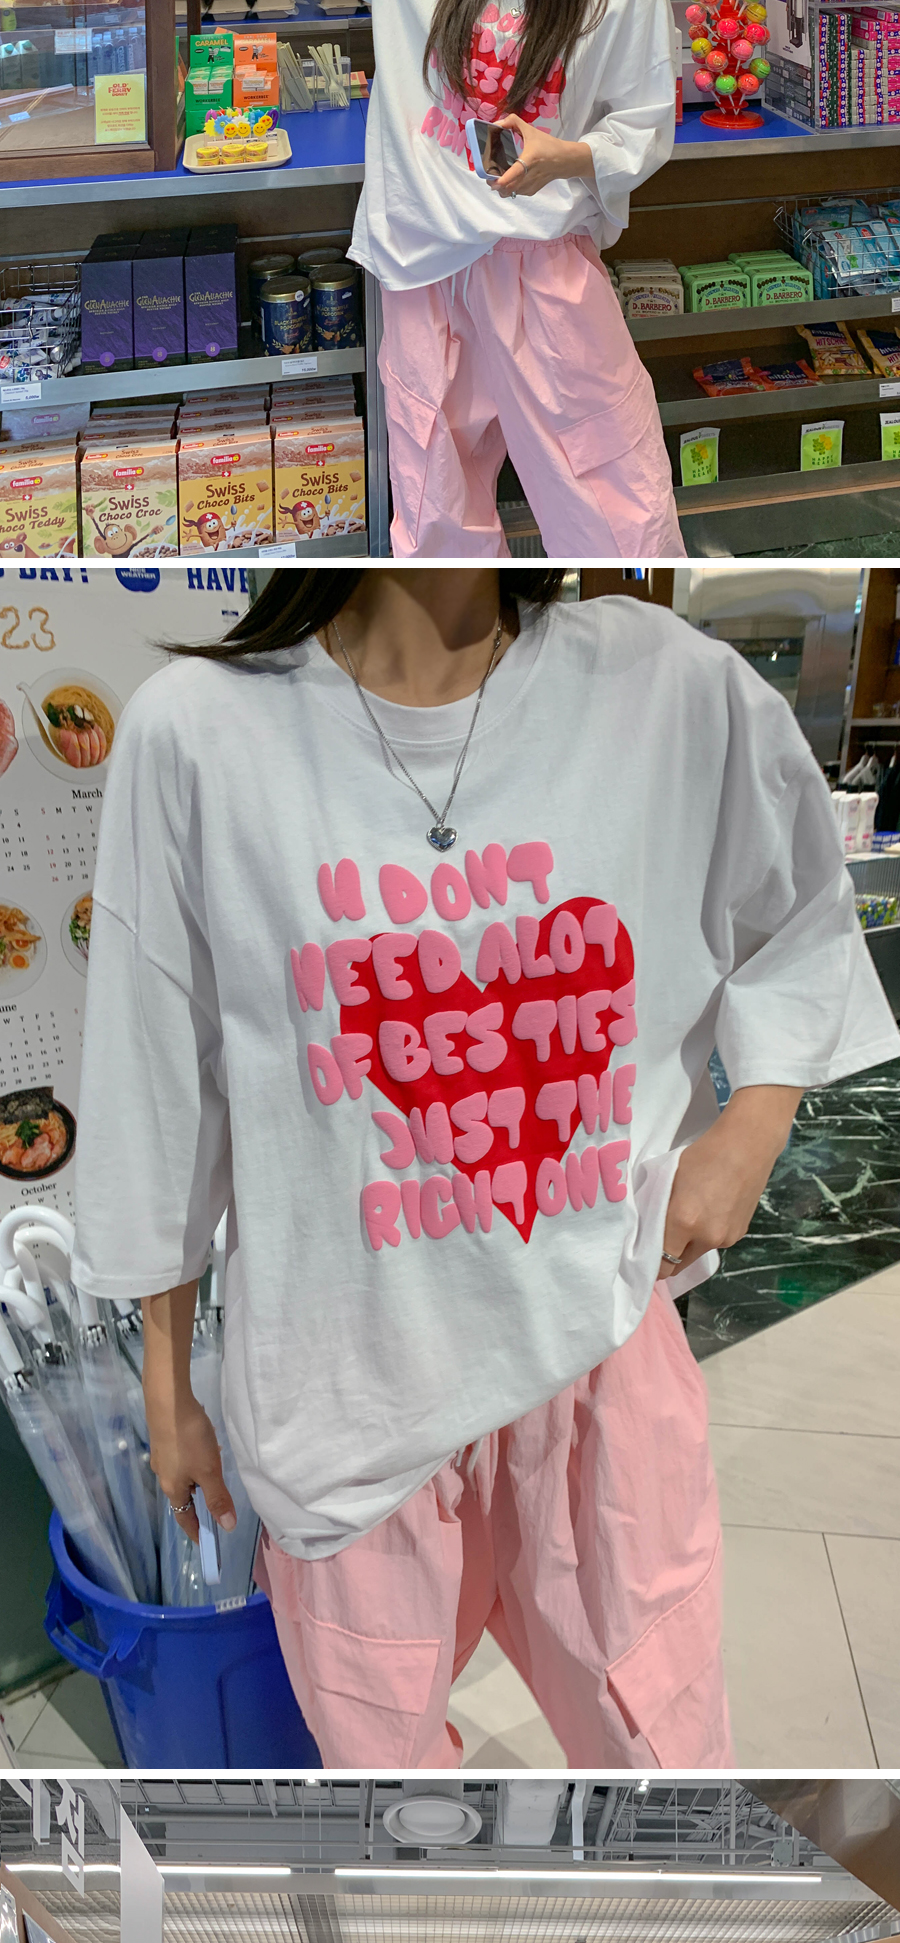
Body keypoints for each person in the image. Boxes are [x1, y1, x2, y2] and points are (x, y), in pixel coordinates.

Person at [72, 565, 898, 1769]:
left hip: (599, 1343)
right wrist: (168, 1379)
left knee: (663, 1755)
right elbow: (157, 1075)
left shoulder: (663, 685)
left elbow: (804, 908)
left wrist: (753, 1128)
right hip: (347, 1383)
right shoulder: (199, 735)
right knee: (389, 1786)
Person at [296, 0, 683, 560]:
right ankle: (461, 628)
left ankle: (628, 620)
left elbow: (645, 126)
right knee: (433, 494)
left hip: (538, 259)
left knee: (610, 485)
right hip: (422, 258)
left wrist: (563, 156)